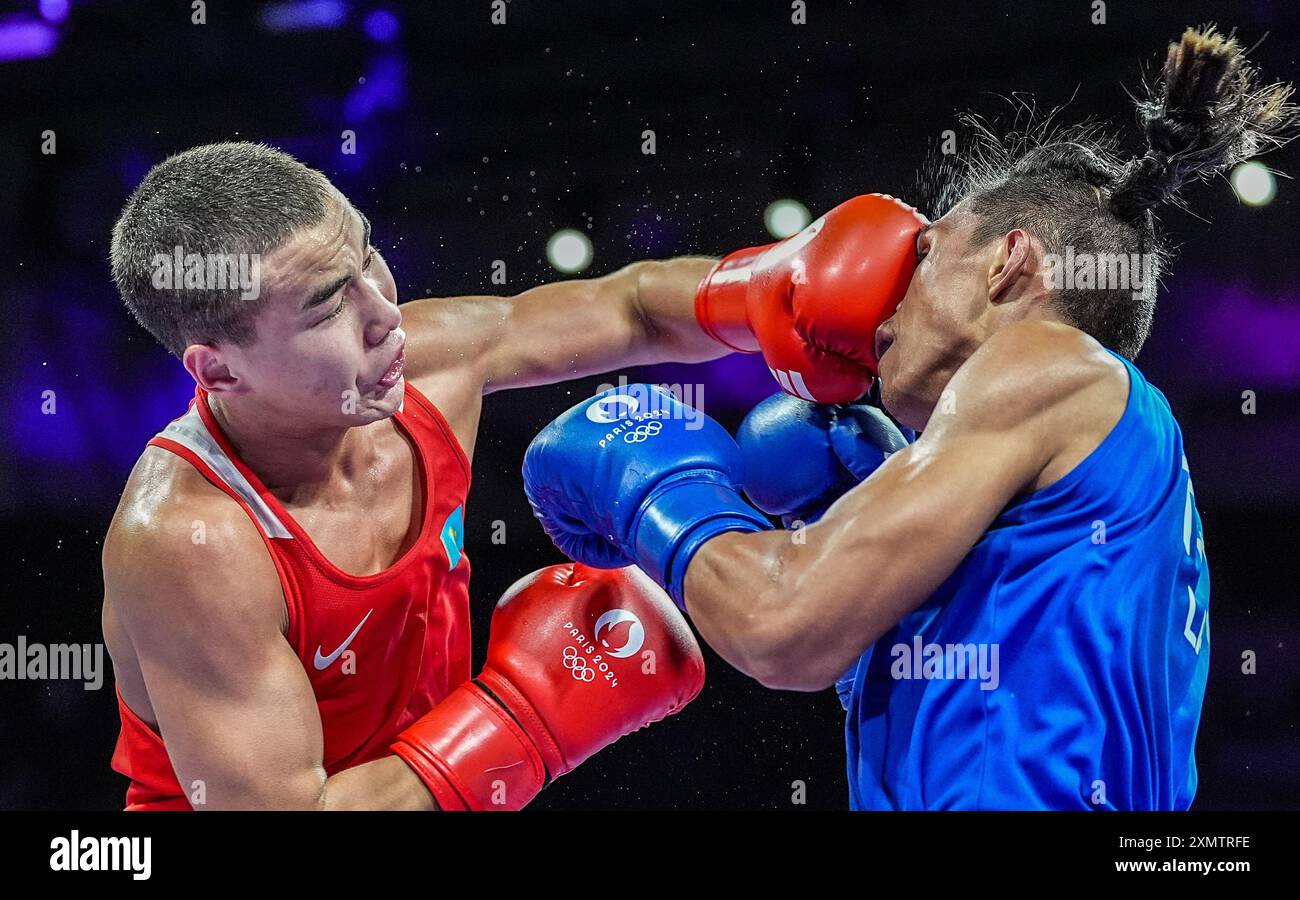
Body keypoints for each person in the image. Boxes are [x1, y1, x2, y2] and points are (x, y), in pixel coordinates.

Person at [521, 26, 1297, 809]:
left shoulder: (1050, 363)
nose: (888, 302)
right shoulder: (1098, 455)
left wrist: (655, 485)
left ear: (1009, 262)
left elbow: (780, 624)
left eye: (924, 254)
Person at [100, 140, 755, 810]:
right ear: (220, 372)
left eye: (367, 256)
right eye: (328, 307)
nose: (385, 314)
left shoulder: (425, 366)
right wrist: (523, 716)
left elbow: (634, 309)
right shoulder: (190, 542)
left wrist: (773, 289)